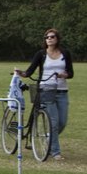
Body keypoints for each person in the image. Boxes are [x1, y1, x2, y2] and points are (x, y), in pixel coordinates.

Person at [16, 28, 73, 160]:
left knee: (62, 122)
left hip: (62, 90)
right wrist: (22, 73)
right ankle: (55, 152)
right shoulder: (41, 54)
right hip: (46, 90)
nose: (49, 39)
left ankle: (49, 137)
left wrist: (64, 75)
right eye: (47, 37)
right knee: (53, 121)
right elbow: (29, 72)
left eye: (52, 37)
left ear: (57, 39)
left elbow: (70, 73)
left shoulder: (65, 53)